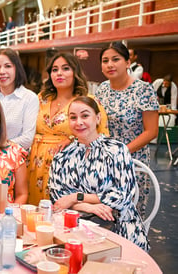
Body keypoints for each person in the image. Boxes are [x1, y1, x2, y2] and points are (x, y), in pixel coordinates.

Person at [49, 96, 149, 251]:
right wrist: (90, 207)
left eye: (85, 115)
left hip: (116, 224)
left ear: (97, 118)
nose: (79, 122)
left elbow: (122, 196)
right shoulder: (63, 154)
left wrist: (76, 197)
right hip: (74, 224)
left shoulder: (116, 150)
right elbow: (57, 198)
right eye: (73, 117)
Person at [27, 52, 108, 205]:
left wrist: (73, 138)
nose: (59, 73)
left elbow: (101, 136)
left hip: (68, 168)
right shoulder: (41, 98)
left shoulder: (87, 101)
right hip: (34, 164)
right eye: (54, 69)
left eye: (65, 68)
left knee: (61, 213)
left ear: (75, 72)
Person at [95, 42, 159, 218]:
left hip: (133, 160)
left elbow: (152, 131)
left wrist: (122, 152)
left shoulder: (143, 90)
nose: (110, 64)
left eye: (116, 59)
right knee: (104, 213)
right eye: (105, 60)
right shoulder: (102, 89)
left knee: (129, 214)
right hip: (105, 161)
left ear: (127, 62)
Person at [0, 48, 39, 150]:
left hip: (14, 160)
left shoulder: (29, 98)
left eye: (8, 66)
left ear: (17, 68)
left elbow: (27, 139)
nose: (2, 72)